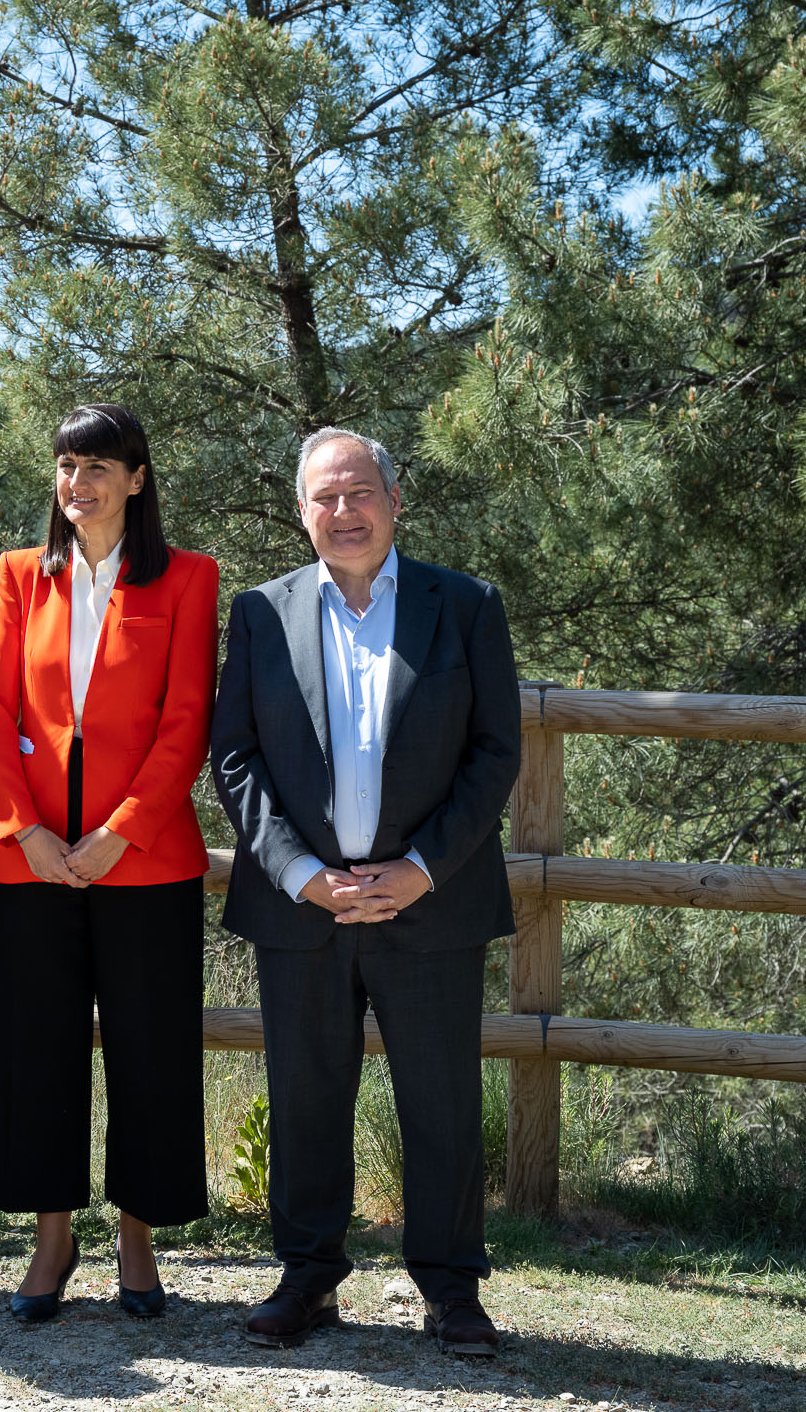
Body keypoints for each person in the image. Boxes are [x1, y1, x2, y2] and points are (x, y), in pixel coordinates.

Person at [211, 427, 520, 1354]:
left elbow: (494, 752)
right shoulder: (259, 613)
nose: (342, 513)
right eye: (323, 498)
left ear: (393, 500)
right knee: (304, 1101)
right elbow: (233, 758)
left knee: (440, 1102)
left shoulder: (463, 605)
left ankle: (452, 1289)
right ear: (299, 511)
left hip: (430, 899)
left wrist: (418, 869)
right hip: (299, 907)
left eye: (359, 494)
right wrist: (303, 876)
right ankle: (306, 1278)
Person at [0, 404, 218, 1323]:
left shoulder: (188, 579)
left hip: (143, 858)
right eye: (67, 466)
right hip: (33, 856)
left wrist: (121, 828)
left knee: (150, 1053)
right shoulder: (18, 577)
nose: (80, 482)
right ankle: (50, 1239)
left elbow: (187, 716)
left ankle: (137, 1239)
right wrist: (22, 829)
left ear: (137, 479)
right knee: (37, 1051)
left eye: (100, 466)